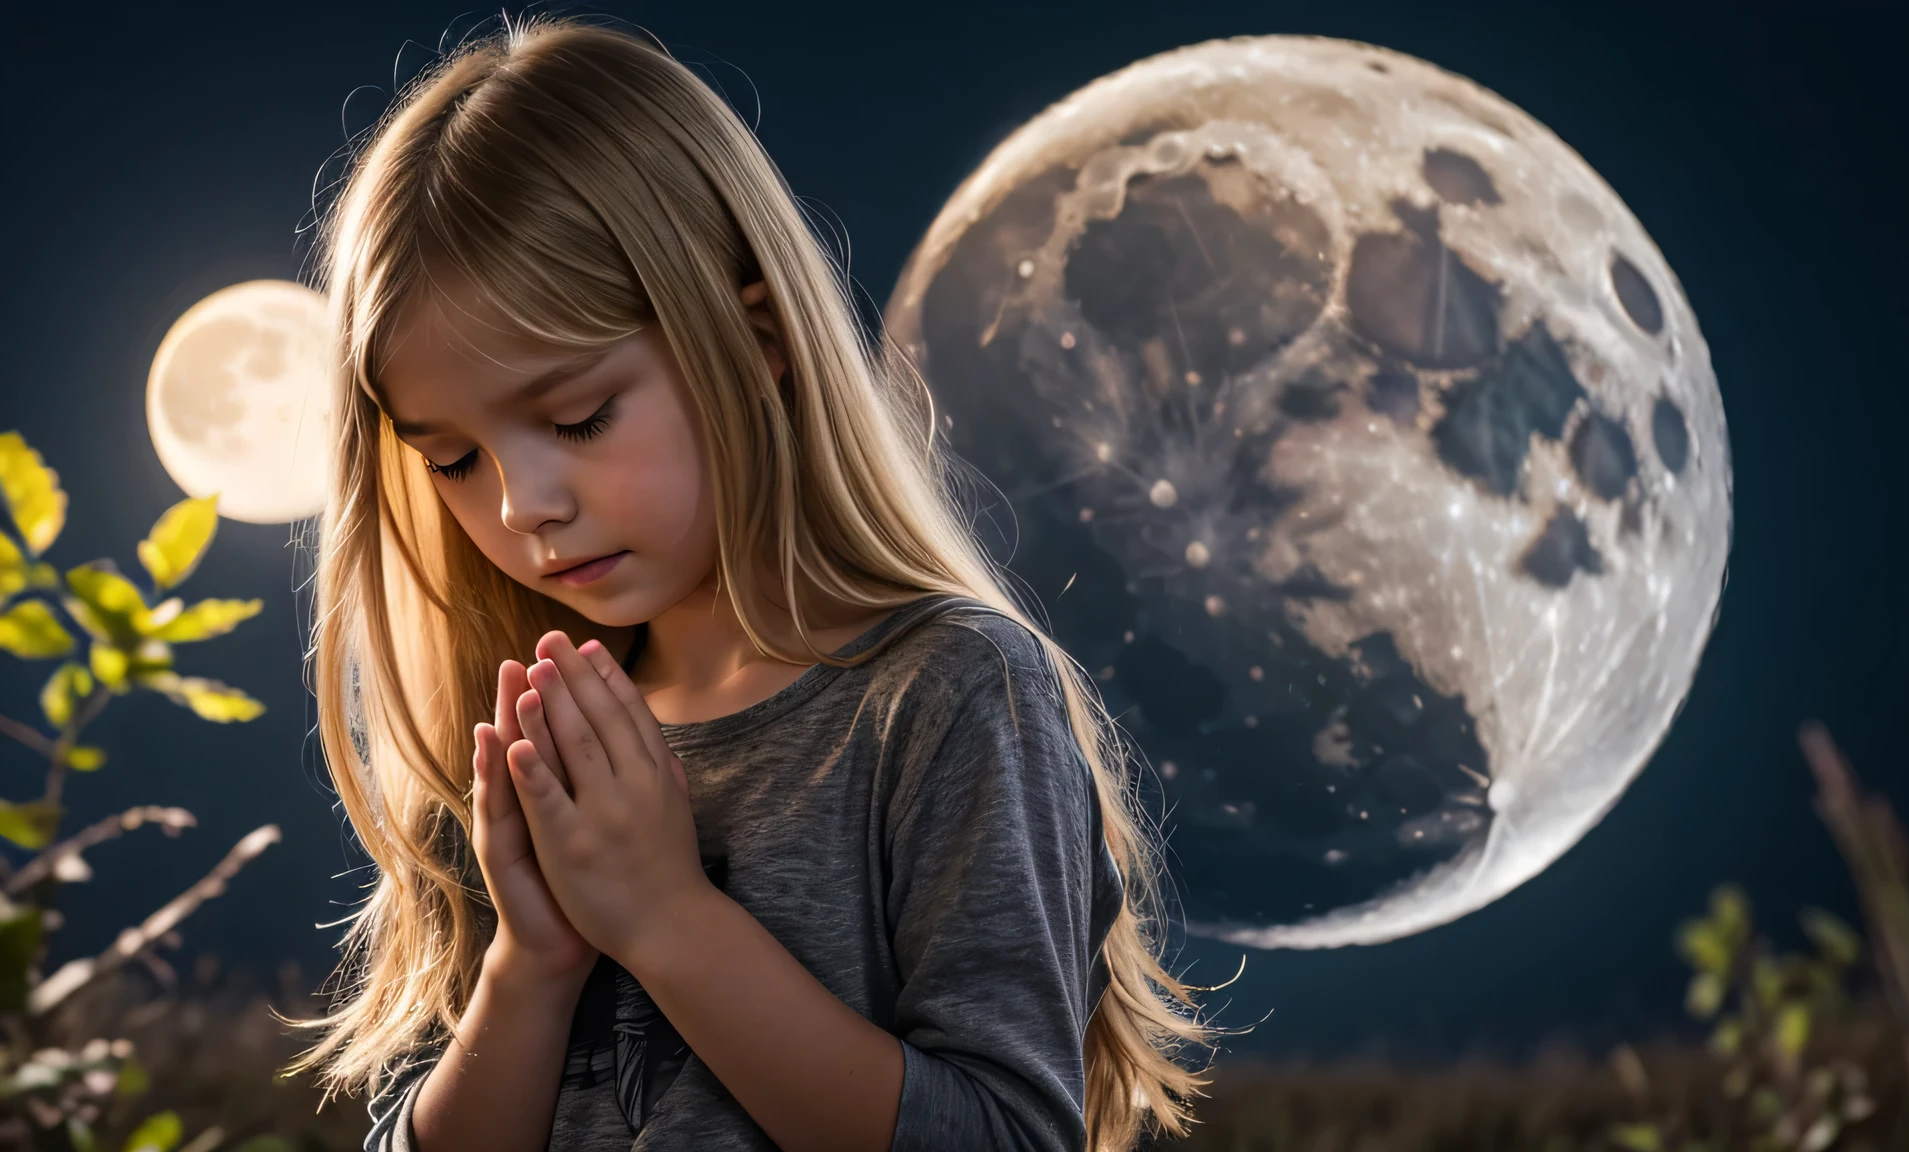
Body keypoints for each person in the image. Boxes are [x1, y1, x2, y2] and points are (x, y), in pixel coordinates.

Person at [292, 15, 1218, 1152]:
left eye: (577, 416)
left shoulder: (942, 697)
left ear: (758, 338)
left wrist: (670, 923)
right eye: (452, 460)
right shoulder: (527, 730)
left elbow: (1009, 1135)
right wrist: (530, 968)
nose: (519, 504)